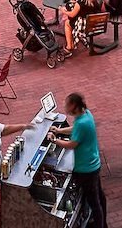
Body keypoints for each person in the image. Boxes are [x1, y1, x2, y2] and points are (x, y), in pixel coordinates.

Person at [48, 92, 106, 228]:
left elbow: (72, 144)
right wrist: (59, 131)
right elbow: (75, 130)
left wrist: (55, 140)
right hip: (93, 163)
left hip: (86, 169)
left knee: (94, 202)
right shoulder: (86, 115)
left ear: (73, 105)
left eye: (67, 104)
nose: (64, 106)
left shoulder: (82, 123)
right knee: (99, 195)